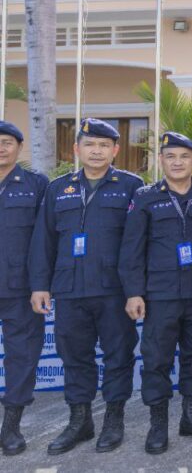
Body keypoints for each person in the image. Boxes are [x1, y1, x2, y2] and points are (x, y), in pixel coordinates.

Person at [29, 118, 143, 454]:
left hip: (114, 290)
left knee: (118, 356)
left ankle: (113, 420)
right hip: (70, 289)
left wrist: (136, 289)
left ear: (115, 150)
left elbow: (138, 244)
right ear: (76, 149)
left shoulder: (131, 186)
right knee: (74, 357)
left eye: (104, 145)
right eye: (90, 145)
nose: (96, 151)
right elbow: (43, 241)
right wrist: (40, 285)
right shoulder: (57, 189)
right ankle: (80, 421)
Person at [119, 132, 192, 454]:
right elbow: (132, 250)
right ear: (161, 160)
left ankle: (191, 416)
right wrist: (134, 293)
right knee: (156, 360)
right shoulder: (145, 197)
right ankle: (158, 424)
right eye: (171, 156)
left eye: (184, 156)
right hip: (160, 295)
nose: (178, 162)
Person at [0, 121, 48, 456]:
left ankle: (11, 426)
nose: (1, 148)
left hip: (19, 287)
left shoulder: (36, 185)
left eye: (7, 142)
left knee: (22, 356)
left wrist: (40, 285)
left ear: (19, 147)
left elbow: (43, 240)